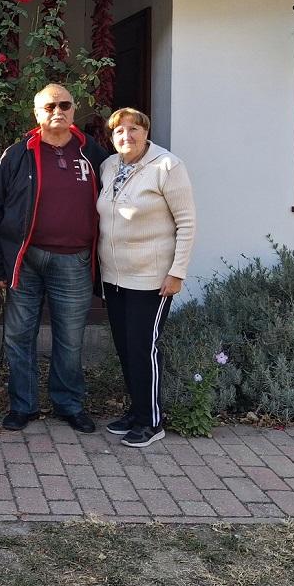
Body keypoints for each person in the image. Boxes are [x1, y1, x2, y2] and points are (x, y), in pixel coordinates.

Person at [0, 83, 107, 434]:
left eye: (65, 105)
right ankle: (23, 406)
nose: (59, 111)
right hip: (28, 260)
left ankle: (69, 404)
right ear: (37, 113)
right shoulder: (18, 154)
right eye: (50, 105)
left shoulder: (92, 153)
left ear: (74, 109)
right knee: (18, 336)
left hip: (74, 262)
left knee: (69, 339)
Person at [98, 107, 196, 448]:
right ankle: (136, 412)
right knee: (126, 348)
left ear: (146, 132)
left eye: (133, 130)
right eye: (119, 131)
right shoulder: (109, 166)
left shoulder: (168, 166)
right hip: (114, 276)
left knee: (143, 348)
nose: (127, 136)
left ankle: (152, 421)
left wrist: (177, 272)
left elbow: (186, 222)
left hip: (152, 279)